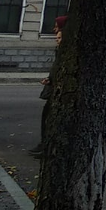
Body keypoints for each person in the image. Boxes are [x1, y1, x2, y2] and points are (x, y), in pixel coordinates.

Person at [30, 15, 67, 158]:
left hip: (57, 91)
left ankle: (47, 147)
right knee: (47, 118)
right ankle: (45, 145)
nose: (54, 29)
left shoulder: (65, 51)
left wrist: (52, 80)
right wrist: (50, 79)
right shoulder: (61, 50)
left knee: (50, 118)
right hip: (54, 87)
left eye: (57, 26)